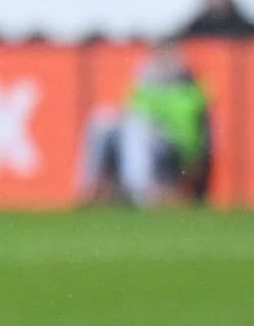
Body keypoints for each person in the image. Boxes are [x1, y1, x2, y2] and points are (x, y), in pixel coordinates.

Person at [72, 45, 213, 207]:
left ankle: (138, 190)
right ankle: (89, 187)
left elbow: (193, 137)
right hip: (140, 142)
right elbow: (128, 110)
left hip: (171, 148)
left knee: (136, 128)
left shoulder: (190, 94)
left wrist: (192, 160)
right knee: (101, 119)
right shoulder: (143, 89)